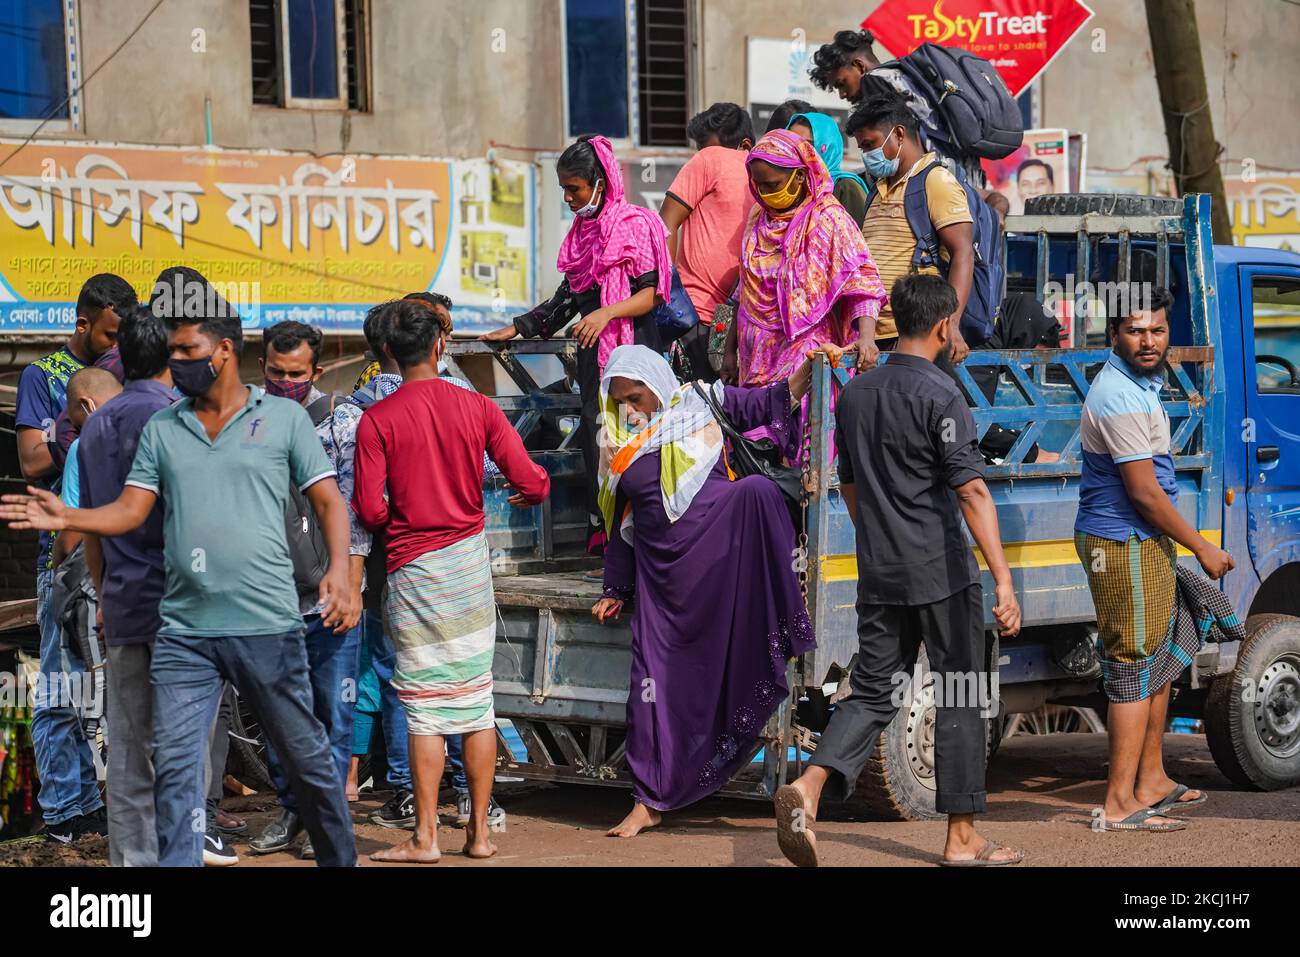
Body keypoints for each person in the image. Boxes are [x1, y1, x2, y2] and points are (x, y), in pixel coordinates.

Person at [1, 286, 362, 867]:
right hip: (183, 628)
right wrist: (69, 515)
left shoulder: (282, 418)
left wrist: (342, 573)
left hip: (263, 621)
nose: (181, 360)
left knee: (306, 755)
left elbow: (328, 502)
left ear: (222, 351)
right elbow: (131, 511)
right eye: (175, 351)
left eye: (189, 348)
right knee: (174, 765)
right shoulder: (166, 428)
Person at [774, 274, 1024, 868]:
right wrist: (1005, 581)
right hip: (941, 571)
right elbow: (973, 493)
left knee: (872, 691)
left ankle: (808, 788)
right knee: (962, 692)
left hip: (880, 571)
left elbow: (851, 486)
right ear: (942, 326)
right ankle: (962, 837)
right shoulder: (942, 394)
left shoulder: (857, 393)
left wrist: (881, 542)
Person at [592, 345, 819, 837]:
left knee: (756, 493)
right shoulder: (613, 440)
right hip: (663, 579)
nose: (629, 410)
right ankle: (648, 801)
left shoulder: (699, 400)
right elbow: (621, 523)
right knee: (651, 689)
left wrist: (806, 372)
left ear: (656, 383)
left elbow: (767, 403)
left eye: (636, 398)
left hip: (719, 558)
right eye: (620, 402)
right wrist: (616, 585)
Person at [353, 299, 550, 862]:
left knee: (423, 707)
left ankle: (425, 838)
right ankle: (481, 837)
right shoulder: (478, 407)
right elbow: (533, 482)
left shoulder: (377, 421)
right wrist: (524, 490)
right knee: (476, 703)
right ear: (440, 346)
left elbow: (368, 509)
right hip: (468, 568)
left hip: (415, 572)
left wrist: (409, 513)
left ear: (389, 352)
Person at [1074, 287, 1233, 831]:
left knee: (1159, 661)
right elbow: (1143, 492)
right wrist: (1203, 546)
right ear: (1114, 334)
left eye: (1158, 331)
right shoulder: (1117, 394)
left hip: (1144, 540)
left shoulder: (1145, 383)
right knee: (1133, 668)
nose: (1148, 341)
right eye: (1136, 331)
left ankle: (1151, 780)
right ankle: (1119, 804)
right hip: (1121, 542)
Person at [481, 135, 670, 566]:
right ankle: (607, 540)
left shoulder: (635, 225)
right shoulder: (582, 234)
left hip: (635, 357)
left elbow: (650, 295)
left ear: (600, 182)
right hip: (594, 361)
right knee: (596, 444)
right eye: (563, 189)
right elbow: (566, 300)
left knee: (637, 445)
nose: (568, 198)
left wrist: (605, 314)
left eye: (574, 189)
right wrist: (516, 328)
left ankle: (643, 542)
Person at [16, 272, 133, 844]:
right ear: (84, 323)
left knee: (92, 693)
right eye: (109, 333)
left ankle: (85, 805)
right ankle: (63, 810)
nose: (117, 345)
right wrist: (87, 430)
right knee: (62, 688)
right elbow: (34, 462)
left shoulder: (125, 374)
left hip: (109, 558)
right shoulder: (44, 376)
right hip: (62, 556)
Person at [247, 320, 364, 860]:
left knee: (334, 712)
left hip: (329, 596)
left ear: (317, 371)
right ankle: (291, 809)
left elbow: (355, 512)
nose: (285, 381)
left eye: (296, 374)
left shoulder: (343, 422)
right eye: (275, 372)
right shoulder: (243, 418)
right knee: (277, 715)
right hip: (265, 599)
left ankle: (325, 819)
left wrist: (351, 586)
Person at [723, 129, 887, 435]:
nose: (764, 191)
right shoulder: (758, 220)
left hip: (806, 356)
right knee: (754, 441)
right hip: (754, 359)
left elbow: (861, 281)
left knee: (797, 442)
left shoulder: (829, 219)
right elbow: (744, 292)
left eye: (772, 184)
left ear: (799, 177)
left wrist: (867, 338)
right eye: (758, 184)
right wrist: (729, 351)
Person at [848, 94, 974, 366]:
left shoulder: (935, 180)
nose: (867, 155)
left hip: (915, 336)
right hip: (874, 339)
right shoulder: (877, 188)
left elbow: (963, 253)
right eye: (862, 148)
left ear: (899, 134)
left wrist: (951, 324)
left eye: (870, 145)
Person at [661, 103, 756, 382]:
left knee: (696, 410)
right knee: (721, 407)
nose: (699, 154)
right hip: (728, 320)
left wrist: (666, 299)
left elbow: (665, 224)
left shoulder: (710, 159)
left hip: (705, 319)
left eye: (704, 146)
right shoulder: (772, 176)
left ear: (745, 145)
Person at [785, 111, 869, 227]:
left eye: (806, 145)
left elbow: (861, 238)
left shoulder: (845, 187)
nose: (796, 150)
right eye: (790, 142)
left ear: (828, 147)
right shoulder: (784, 185)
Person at [808, 30, 882, 103]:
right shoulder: (875, 106)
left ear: (859, 66)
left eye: (841, 84)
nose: (842, 95)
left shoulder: (891, 95)